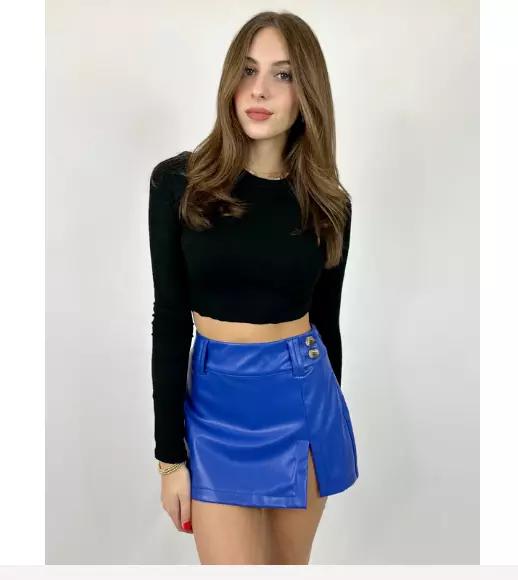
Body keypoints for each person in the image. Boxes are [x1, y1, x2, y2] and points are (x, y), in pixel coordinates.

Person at [148, 10, 358, 565]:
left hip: (304, 400)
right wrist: (170, 458)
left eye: (283, 74)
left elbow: (327, 323)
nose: (259, 89)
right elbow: (170, 319)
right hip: (215, 407)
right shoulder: (178, 183)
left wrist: (326, 423)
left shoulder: (328, 203)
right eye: (248, 70)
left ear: (307, 93)